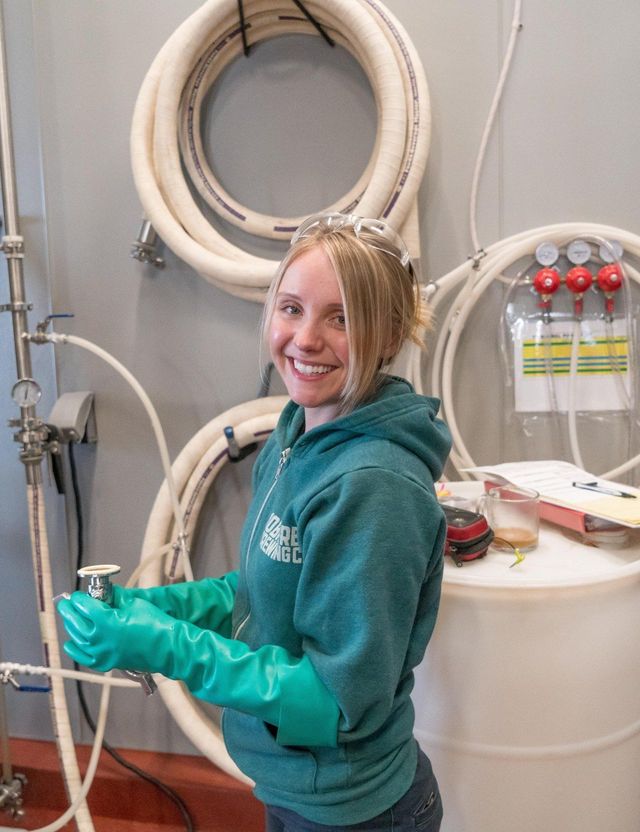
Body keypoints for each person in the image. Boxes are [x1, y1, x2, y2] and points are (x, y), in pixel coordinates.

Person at [58, 211, 452, 831]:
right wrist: (158, 610)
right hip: (294, 786)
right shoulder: (296, 433)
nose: (305, 339)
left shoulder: (373, 486)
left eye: (341, 318)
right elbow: (262, 597)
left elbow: (334, 703)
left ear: (390, 332)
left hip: (352, 809)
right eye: (291, 308)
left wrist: (166, 647)